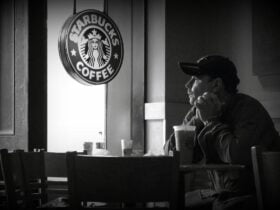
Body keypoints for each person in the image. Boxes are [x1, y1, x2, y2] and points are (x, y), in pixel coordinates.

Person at [164, 55, 280, 210]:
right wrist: (198, 121)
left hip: (254, 197)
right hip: (221, 195)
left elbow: (237, 155)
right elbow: (169, 155)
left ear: (216, 85)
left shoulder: (248, 109)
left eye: (195, 79)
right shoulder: (198, 111)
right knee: (173, 204)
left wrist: (211, 121)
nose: (187, 85)